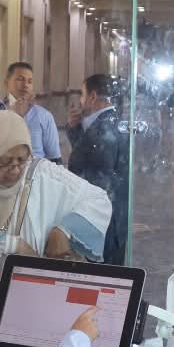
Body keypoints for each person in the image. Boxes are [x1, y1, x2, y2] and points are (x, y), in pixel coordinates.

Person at [0, 112, 111, 335]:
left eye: (21, 159)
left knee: (18, 345)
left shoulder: (42, 174)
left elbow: (98, 200)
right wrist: (13, 246)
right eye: (4, 162)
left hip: (24, 299)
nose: (15, 169)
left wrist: (65, 230)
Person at [66, 73, 129, 264]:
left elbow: (92, 177)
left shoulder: (101, 130)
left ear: (92, 96)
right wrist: (75, 129)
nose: (81, 101)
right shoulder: (114, 121)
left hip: (103, 221)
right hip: (117, 218)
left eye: (83, 95)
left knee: (103, 273)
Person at [0, 61, 61, 162]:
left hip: (35, 170)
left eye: (30, 81)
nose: (26, 85)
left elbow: (55, 158)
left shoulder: (44, 116)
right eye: (20, 79)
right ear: (6, 83)